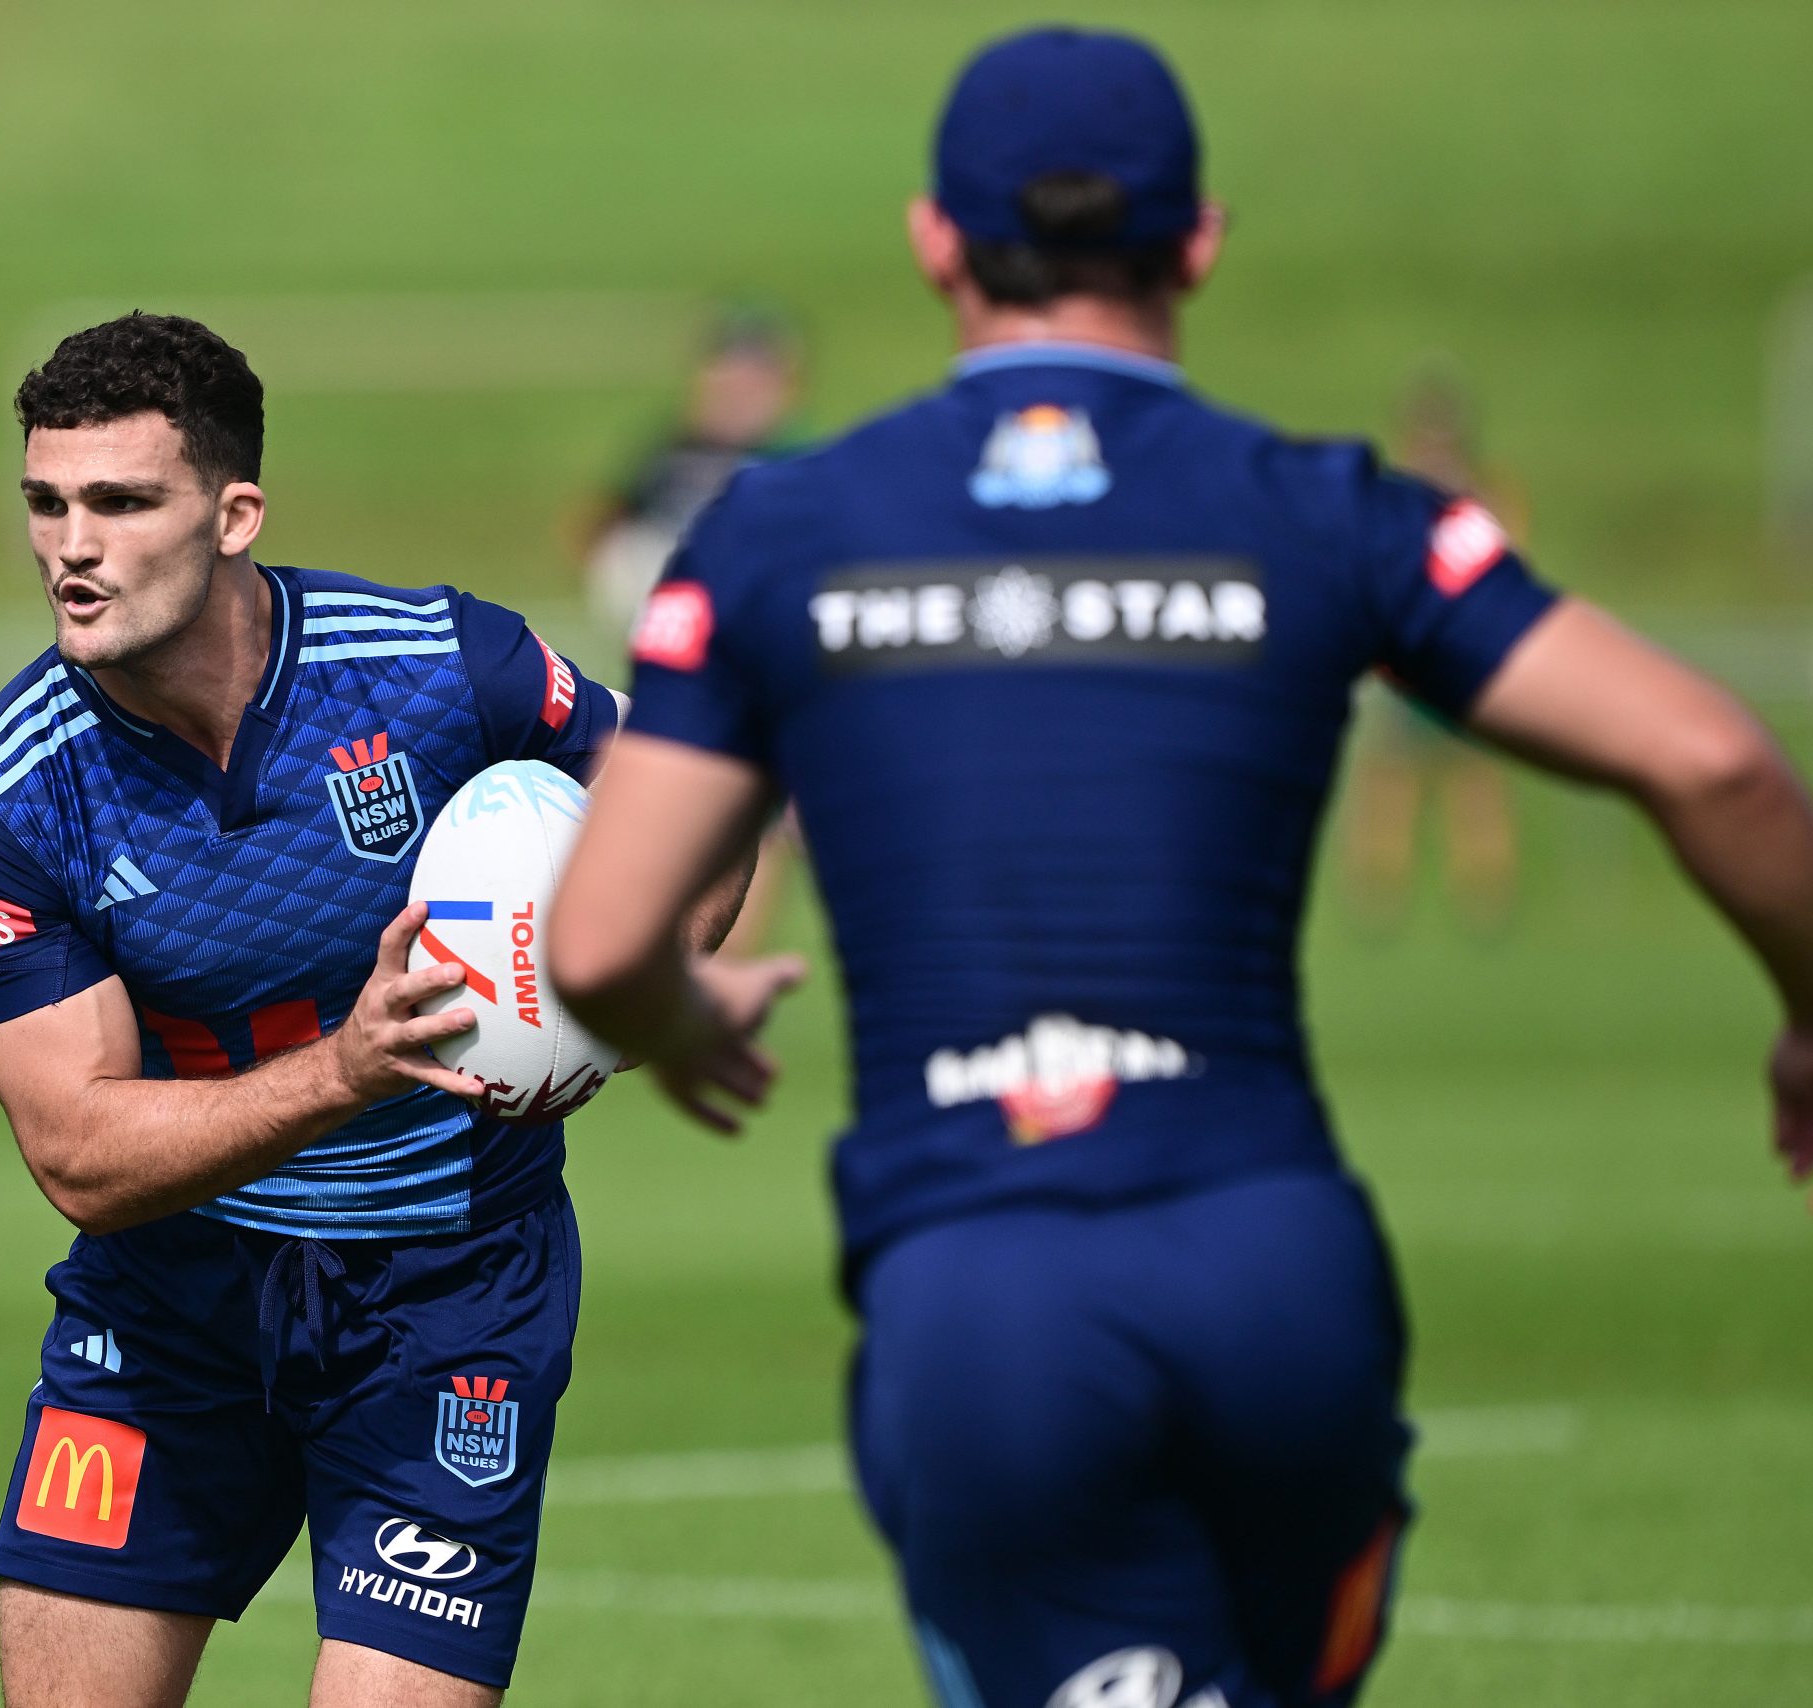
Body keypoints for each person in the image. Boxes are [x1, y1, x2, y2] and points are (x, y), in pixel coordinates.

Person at [549, 28, 1813, 1708]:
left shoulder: (786, 534)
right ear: (1199, 240)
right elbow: (1716, 757)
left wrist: (682, 1010)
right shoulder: (1324, 510)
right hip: (1276, 1271)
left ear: (936, 241)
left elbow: (603, 932)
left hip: (982, 1287)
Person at [0, 313, 728, 1707]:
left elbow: (698, 823)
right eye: (47, 503)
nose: (73, 545)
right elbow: (78, 1156)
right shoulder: (9, 794)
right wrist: (349, 1066)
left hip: (451, 1291)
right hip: (171, 1307)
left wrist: (622, 989)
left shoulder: (441, 667)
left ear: (235, 514)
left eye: (123, 502)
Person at [1341, 364, 1528, 931]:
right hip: (1404, 661)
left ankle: (1485, 892)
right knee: (1391, 779)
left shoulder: (1487, 496)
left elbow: (1508, 564)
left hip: (1462, 655)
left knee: (1472, 781)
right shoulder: (1395, 496)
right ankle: (1379, 891)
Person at [579, 302, 804, 641]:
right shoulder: (673, 450)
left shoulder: (795, 456)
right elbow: (604, 519)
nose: (736, 391)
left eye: (752, 380)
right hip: (667, 593)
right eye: (726, 375)